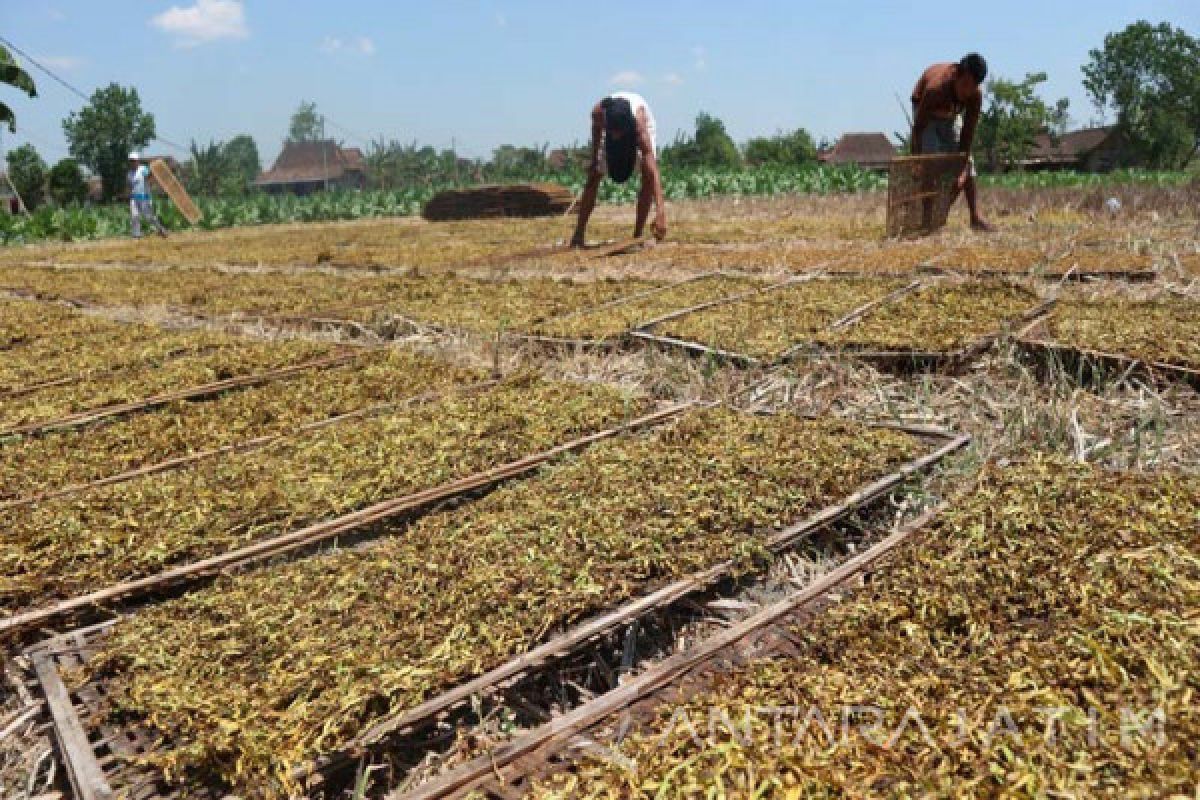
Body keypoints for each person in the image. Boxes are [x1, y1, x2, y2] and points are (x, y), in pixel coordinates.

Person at [571, 91, 666, 247]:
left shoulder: (639, 124)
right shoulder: (598, 114)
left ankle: (637, 234)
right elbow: (596, 134)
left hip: (636, 129)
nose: (615, 138)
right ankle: (578, 234)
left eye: (618, 134)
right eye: (612, 133)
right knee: (593, 177)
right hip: (609, 128)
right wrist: (594, 160)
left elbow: (652, 168)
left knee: (647, 176)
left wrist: (661, 212)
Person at [911, 53, 993, 232]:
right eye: (964, 85)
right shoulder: (935, 89)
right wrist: (916, 160)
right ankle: (927, 221)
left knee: (969, 165)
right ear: (957, 76)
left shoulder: (974, 96)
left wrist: (962, 170)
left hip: (951, 115)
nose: (967, 92)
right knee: (929, 164)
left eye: (973, 87)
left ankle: (975, 217)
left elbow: (967, 135)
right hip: (927, 114)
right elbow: (918, 128)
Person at [127, 152, 167, 239]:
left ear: (138, 161)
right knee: (134, 215)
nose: (132, 162)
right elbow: (130, 186)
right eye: (131, 161)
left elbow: (149, 176)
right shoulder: (129, 174)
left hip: (144, 197)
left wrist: (153, 169)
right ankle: (136, 235)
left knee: (149, 217)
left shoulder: (143, 169)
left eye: (134, 160)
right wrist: (129, 195)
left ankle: (160, 229)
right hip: (134, 198)